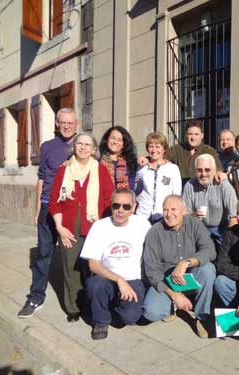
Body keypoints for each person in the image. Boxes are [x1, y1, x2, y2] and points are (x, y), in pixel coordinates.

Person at [18, 108, 79, 318]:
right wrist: (37, 210)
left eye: (70, 122)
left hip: (70, 208)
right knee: (44, 254)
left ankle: (76, 302)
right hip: (47, 205)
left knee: (73, 256)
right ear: (57, 123)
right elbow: (41, 178)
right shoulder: (46, 147)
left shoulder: (83, 145)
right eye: (63, 122)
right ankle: (36, 297)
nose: (67, 126)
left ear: (77, 124)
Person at [48, 133, 114, 322]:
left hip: (94, 225)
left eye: (87, 145)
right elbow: (55, 202)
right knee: (71, 267)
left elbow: (108, 199)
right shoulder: (65, 170)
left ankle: (93, 305)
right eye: (80, 144)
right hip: (68, 226)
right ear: (74, 147)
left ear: (93, 149)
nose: (83, 147)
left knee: (93, 268)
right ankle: (74, 307)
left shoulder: (100, 170)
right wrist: (60, 227)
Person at [80, 189, 151, 340]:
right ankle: (101, 320)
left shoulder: (143, 225)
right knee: (95, 284)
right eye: (116, 205)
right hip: (107, 278)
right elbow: (93, 265)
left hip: (133, 279)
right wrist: (119, 280)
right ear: (111, 206)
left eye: (126, 206)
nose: (120, 210)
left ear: (133, 208)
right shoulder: (99, 226)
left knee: (129, 317)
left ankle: (108, 305)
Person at [142, 195, 217, 338]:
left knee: (208, 270)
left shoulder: (195, 224)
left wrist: (187, 262)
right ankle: (174, 305)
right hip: (167, 280)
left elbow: (210, 250)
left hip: (191, 276)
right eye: (165, 210)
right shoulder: (155, 232)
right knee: (150, 312)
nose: (169, 214)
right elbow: (152, 271)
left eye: (173, 209)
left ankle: (201, 317)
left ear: (184, 210)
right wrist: (174, 295)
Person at [182, 154, 238, 246]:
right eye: (199, 170)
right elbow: (184, 213)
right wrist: (194, 214)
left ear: (215, 170)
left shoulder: (223, 185)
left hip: (221, 229)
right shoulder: (190, 185)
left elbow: (234, 216)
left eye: (207, 170)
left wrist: (230, 242)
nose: (203, 174)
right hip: (199, 229)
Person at [135, 132, 181, 222]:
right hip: (143, 215)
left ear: (164, 149)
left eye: (158, 146)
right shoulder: (142, 167)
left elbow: (176, 195)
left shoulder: (172, 169)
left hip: (163, 215)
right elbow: (136, 190)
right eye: (151, 146)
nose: (154, 150)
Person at [167, 120, 222, 184]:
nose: (193, 137)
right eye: (190, 134)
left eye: (196, 134)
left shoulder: (210, 151)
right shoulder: (176, 149)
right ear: (186, 135)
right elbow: (162, 161)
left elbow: (218, 169)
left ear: (202, 135)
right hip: (180, 190)